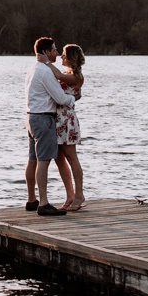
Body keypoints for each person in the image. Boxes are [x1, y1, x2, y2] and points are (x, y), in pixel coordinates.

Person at [24, 36, 78, 216]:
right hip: (44, 119)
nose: (56, 52)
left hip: (31, 117)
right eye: (54, 50)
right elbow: (60, 98)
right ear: (46, 52)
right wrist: (74, 99)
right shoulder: (45, 72)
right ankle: (44, 203)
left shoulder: (32, 68)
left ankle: (32, 199)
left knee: (32, 160)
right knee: (43, 162)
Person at [50, 44, 86, 211]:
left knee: (72, 157)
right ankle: (70, 195)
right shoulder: (66, 74)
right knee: (58, 158)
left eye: (63, 54)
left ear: (71, 57)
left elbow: (56, 75)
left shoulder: (76, 76)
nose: (61, 57)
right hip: (56, 119)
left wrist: (43, 61)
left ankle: (79, 195)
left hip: (67, 120)